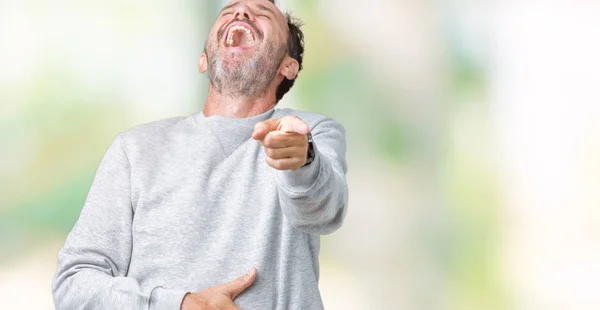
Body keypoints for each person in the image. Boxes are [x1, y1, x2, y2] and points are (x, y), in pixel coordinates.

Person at [51, 0, 348, 309]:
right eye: (229, 9)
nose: (242, 12)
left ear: (288, 66)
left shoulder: (308, 132)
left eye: (262, 12)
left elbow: (323, 214)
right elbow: (74, 285)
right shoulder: (134, 150)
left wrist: (303, 162)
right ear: (204, 60)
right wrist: (181, 304)